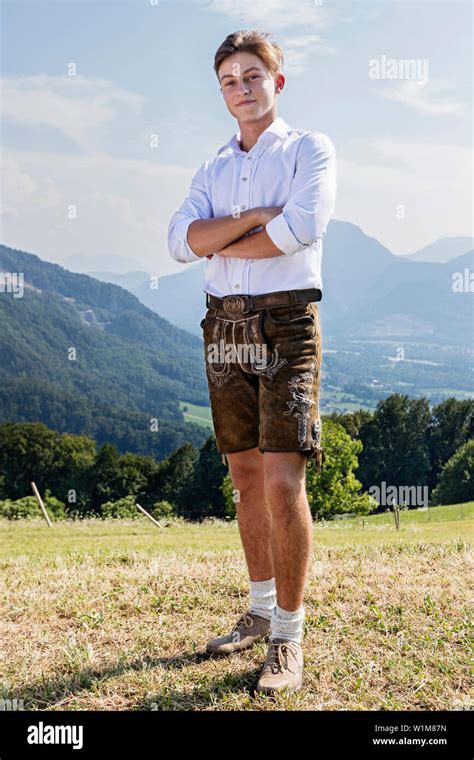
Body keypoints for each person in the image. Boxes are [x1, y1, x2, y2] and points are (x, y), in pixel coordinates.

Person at [168, 29, 336, 695]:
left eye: (251, 76)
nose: (240, 88)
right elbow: (180, 242)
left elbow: (300, 230)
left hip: (286, 319)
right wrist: (255, 219)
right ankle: (259, 611)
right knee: (243, 474)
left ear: (277, 81)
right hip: (223, 325)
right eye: (228, 81)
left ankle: (288, 639)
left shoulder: (308, 149)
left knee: (281, 481)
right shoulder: (211, 167)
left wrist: (229, 234)